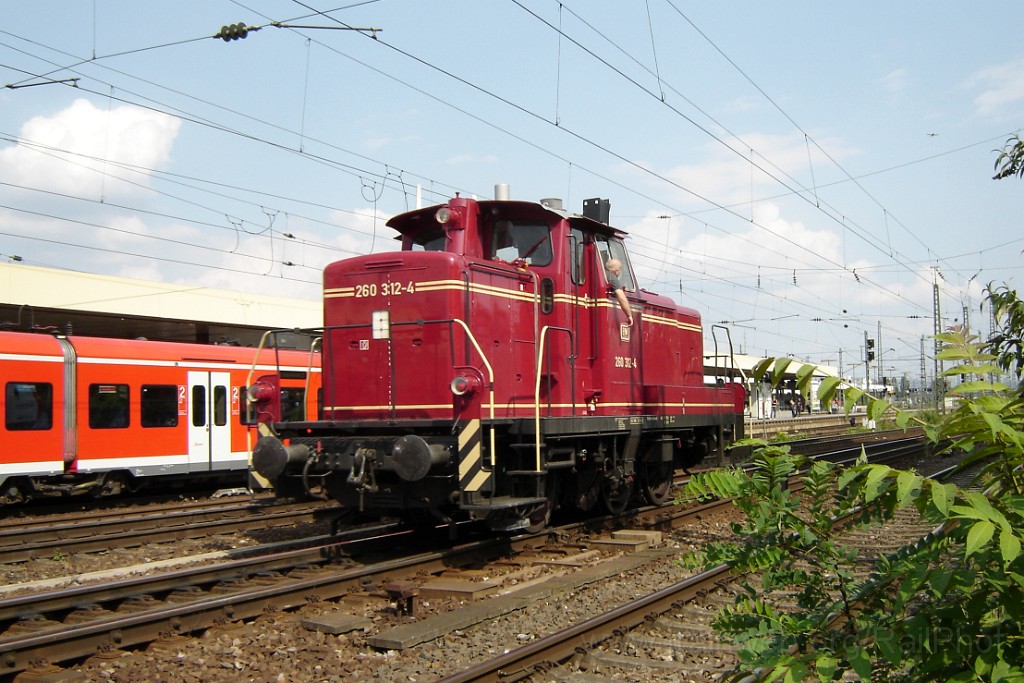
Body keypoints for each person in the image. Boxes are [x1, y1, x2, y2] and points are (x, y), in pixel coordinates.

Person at [605, 258, 633, 325]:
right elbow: (621, 297)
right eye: (620, 269)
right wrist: (629, 315)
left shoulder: (603, 274)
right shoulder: (612, 277)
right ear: (617, 270)